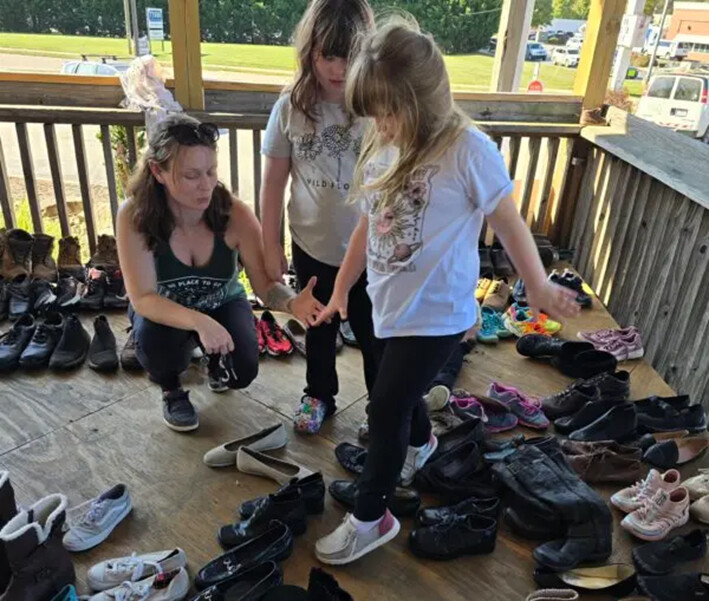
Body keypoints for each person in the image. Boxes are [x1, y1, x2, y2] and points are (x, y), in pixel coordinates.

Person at [313, 17, 580, 565]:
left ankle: (372, 516)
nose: (379, 125)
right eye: (373, 115)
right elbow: (368, 224)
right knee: (399, 398)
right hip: (388, 308)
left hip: (435, 315)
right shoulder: (386, 142)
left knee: (384, 407)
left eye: (387, 113)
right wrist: (342, 287)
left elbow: (508, 221)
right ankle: (420, 448)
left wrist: (538, 284)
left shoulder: (467, 149)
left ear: (422, 102)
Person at [116, 115, 323, 433]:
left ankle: (213, 359)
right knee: (158, 346)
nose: (206, 185)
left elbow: (265, 287)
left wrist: (292, 304)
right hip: (162, 308)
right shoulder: (134, 215)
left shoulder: (235, 214)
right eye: (191, 175)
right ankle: (172, 389)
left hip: (222, 301)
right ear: (157, 171)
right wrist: (201, 323)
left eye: (211, 172)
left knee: (243, 371)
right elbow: (143, 297)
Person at [260, 0, 379, 435]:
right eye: (328, 55)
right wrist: (270, 245)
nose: (338, 68)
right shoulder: (290, 108)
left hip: (369, 252)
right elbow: (273, 183)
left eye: (350, 56)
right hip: (311, 244)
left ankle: (380, 409)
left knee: (373, 335)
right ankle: (318, 393)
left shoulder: (378, 109)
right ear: (310, 51)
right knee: (318, 327)